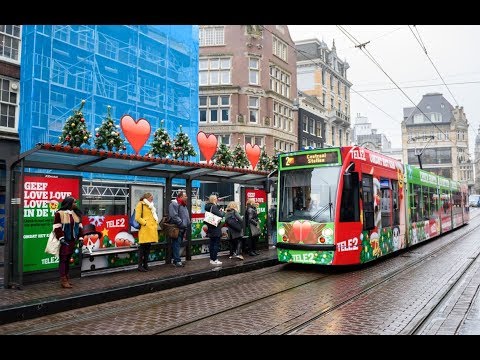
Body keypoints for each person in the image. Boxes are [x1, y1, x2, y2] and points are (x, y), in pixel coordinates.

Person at [53, 196, 84, 289]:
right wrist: (61, 238)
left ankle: (66, 277)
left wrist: (81, 238)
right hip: (64, 241)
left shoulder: (75, 214)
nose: (75, 204)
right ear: (69, 203)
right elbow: (57, 227)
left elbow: (80, 228)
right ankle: (63, 280)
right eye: (74, 202)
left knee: (68, 260)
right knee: (63, 260)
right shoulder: (59, 213)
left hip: (72, 241)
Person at [135, 192, 159, 272]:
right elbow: (137, 218)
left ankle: (146, 265)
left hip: (150, 230)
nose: (152, 198)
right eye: (151, 197)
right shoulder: (140, 204)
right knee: (142, 249)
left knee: (148, 249)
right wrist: (145, 223)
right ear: (147, 197)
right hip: (145, 230)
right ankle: (140, 266)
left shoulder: (151, 205)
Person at [168, 191, 191, 267]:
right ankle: (177, 261)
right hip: (177, 228)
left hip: (182, 228)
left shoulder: (183, 204)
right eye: (185, 196)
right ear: (181, 197)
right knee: (176, 244)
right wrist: (182, 223)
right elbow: (174, 216)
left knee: (177, 244)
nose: (187, 197)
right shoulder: (174, 204)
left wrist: (188, 223)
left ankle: (176, 260)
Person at [205, 194, 224, 266]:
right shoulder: (214, 206)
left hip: (210, 227)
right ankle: (215, 259)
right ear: (214, 199)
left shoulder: (208, 206)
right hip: (215, 228)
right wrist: (222, 212)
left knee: (212, 244)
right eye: (216, 198)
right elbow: (220, 215)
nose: (217, 199)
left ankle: (211, 259)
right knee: (216, 244)